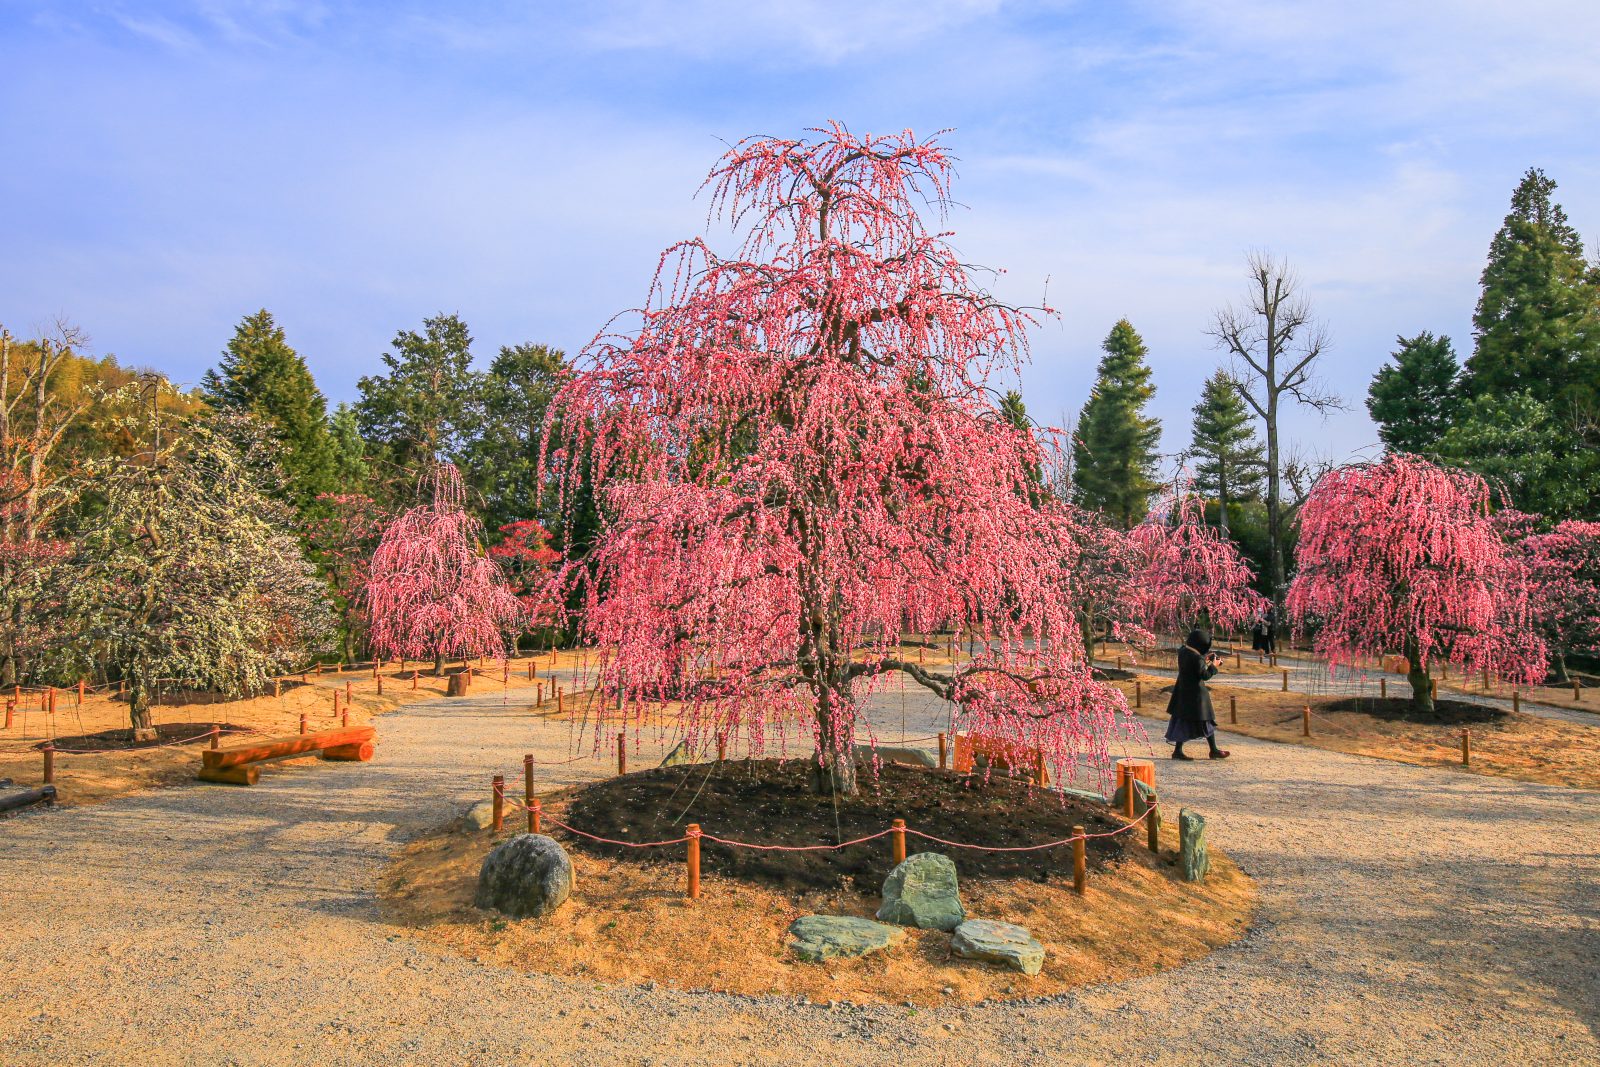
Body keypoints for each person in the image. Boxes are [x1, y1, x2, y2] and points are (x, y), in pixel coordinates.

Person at [1166, 627, 1230, 761]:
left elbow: (1195, 668)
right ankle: (1213, 750)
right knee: (1206, 721)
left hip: (1183, 691)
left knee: (1182, 721)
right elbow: (1204, 675)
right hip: (1196, 695)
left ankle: (1179, 751)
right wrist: (1214, 665)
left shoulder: (1183, 651)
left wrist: (1206, 660)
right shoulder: (1196, 658)